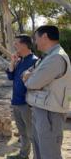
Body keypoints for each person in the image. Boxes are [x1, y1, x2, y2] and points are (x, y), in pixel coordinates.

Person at [23, 25, 71, 159]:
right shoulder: (47, 57)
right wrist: (28, 76)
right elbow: (27, 73)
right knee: (39, 151)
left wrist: (28, 79)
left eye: (36, 38)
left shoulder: (56, 58)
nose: (35, 42)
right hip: (42, 109)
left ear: (45, 37)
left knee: (49, 154)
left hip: (50, 113)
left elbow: (32, 83)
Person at [6, 35, 38, 159]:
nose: (15, 46)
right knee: (23, 133)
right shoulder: (19, 60)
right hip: (16, 101)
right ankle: (24, 155)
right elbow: (10, 76)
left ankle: (37, 155)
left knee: (31, 133)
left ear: (25, 45)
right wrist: (13, 61)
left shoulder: (35, 61)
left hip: (27, 104)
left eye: (17, 44)